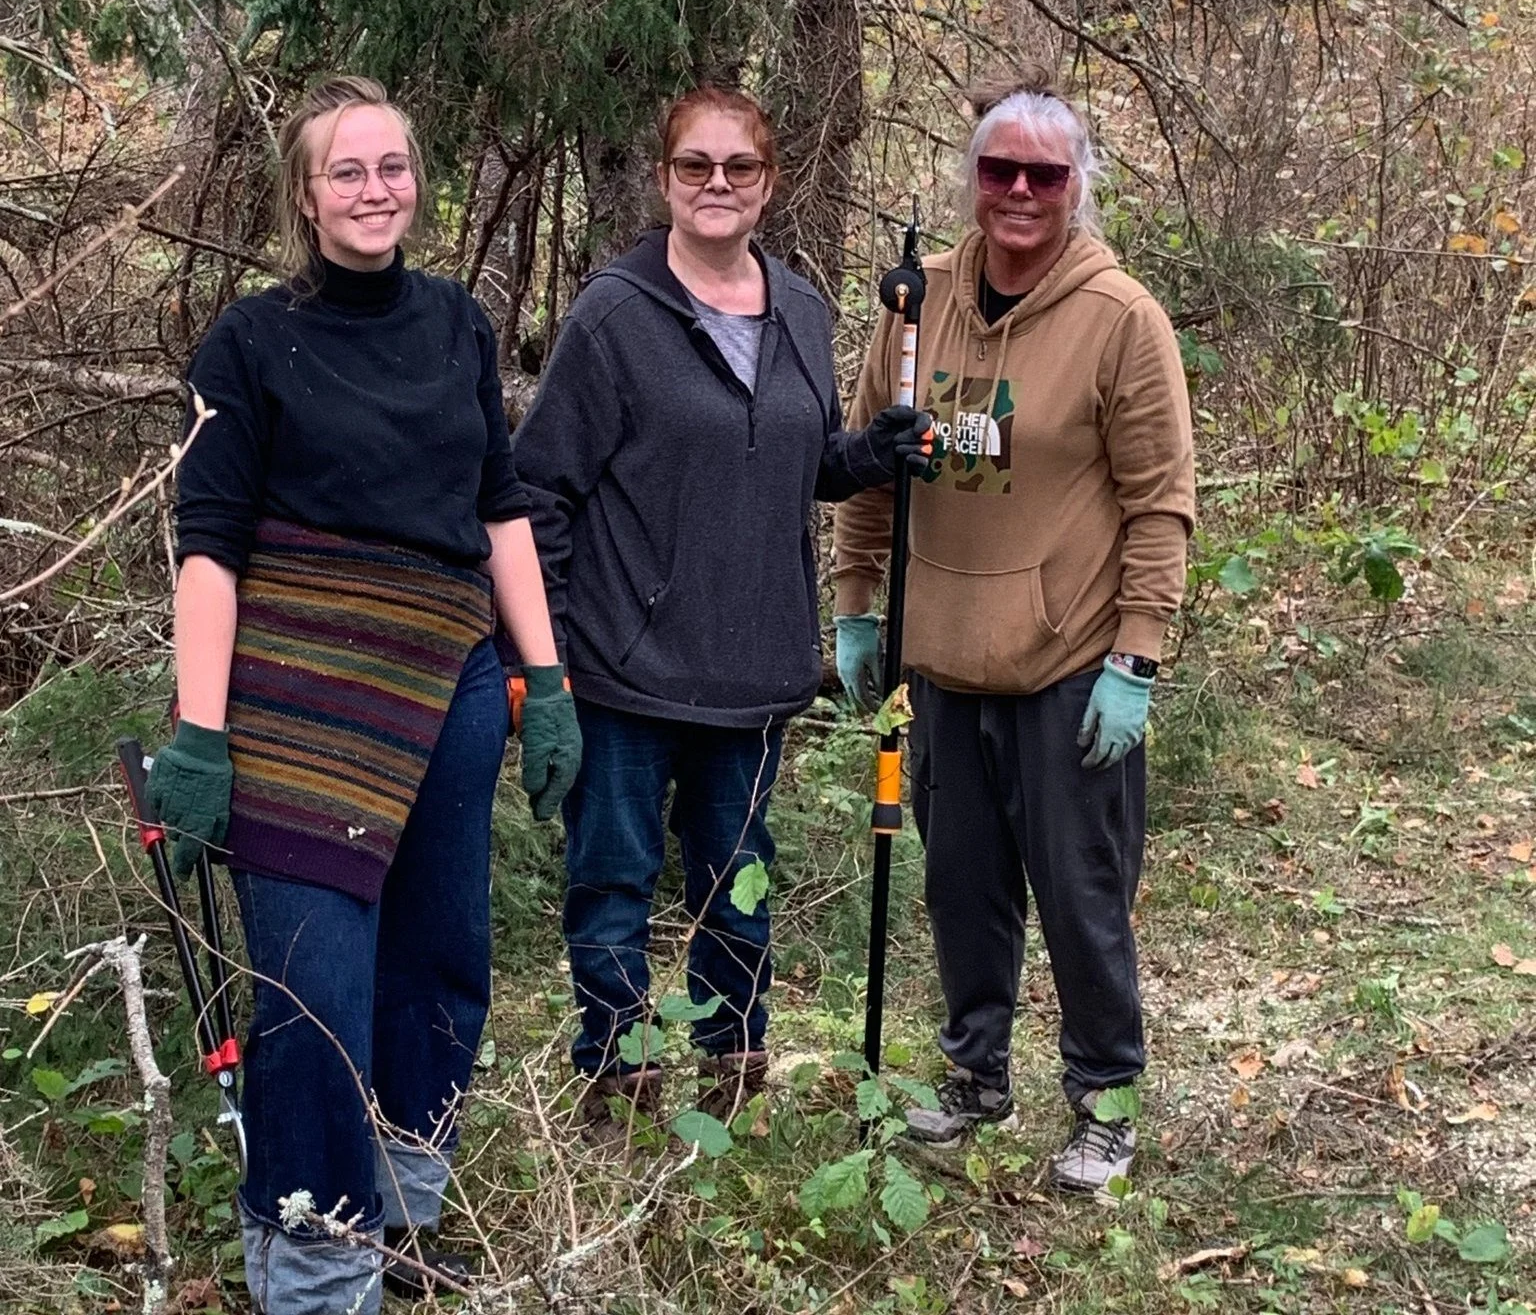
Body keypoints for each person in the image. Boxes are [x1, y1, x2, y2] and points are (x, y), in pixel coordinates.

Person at [146, 75, 582, 1314]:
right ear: (306, 194)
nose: (375, 190)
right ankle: (313, 1272)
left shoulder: (457, 326)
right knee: (313, 990)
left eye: (393, 167)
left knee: (439, 959)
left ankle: (400, 1219)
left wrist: (545, 676)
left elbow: (499, 505)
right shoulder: (248, 341)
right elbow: (209, 547)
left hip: (447, 690)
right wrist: (199, 735)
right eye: (348, 171)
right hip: (297, 709)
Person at [511, 85, 930, 1135]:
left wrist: (868, 456)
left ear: (768, 183)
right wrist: (542, 657)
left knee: (737, 881)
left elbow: (794, 462)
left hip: (751, 665)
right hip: (624, 666)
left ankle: (733, 1076)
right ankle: (617, 1082)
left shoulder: (801, 311)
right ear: (665, 181)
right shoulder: (615, 315)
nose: (717, 184)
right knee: (613, 879)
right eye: (694, 166)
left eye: (739, 166)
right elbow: (540, 491)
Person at [833, 70, 1195, 1192]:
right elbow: (872, 461)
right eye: (1001, 170)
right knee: (961, 888)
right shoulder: (917, 305)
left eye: (1045, 172)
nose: (1021, 192)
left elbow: (1160, 503)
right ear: (972, 179)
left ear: (1079, 184)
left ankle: (1105, 1101)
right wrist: (855, 606)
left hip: (1069, 660)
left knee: (1082, 896)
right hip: (941, 656)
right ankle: (973, 1077)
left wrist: (1136, 655)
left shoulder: (1121, 319)